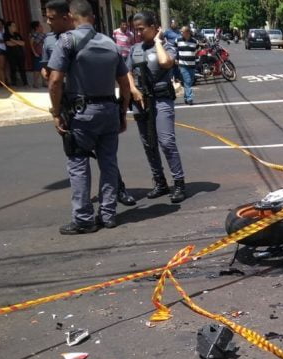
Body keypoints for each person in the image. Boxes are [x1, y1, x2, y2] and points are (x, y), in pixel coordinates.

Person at [47, 0, 131, 234]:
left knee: (78, 164)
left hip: (81, 114)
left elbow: (54, 81)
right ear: (92, 17)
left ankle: (84, 219)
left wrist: (56, 113)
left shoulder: (67, 40)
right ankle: (108, 214)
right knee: (109, 163)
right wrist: (122, 112)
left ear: (72, 17)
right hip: (109, 112)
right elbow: (124, 83)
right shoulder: (110, 43)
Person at [127, 11, 187, 203]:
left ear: (154, 27)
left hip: (161, 100)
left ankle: (178, 183)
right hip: (141, 102)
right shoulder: (134, 49)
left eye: (142, 29)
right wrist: (132, 89)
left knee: (166, 142)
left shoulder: (167, 46)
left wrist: (159, 42)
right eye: (136, 30)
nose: (138, 33)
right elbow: (126, 71)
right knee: (148, 144)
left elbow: (165, 62)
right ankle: (160, 182)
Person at [177, 26, 199, 105]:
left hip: (192, 65)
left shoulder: (194, 41)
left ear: (188, 32)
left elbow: (197, 50)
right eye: (181, 32)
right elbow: (175, 50)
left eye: (183, 32)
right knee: (188, 81)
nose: (181, 33)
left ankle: (186, 97)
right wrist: (176, 59)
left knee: (189, 82)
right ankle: (190, 98)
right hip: (183, 65)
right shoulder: (178, 40)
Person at [4, 21, 28, 86]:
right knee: (13, 69)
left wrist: (13, 41)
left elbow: (23, 43)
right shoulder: (6, 35)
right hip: (11, 55)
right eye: (13, 26)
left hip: (20, 54)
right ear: (9, 27)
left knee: (22, 69)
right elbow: (9, 44)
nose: (15, 27)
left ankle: (25, 83)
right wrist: (18, 42)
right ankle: (14, 83)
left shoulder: (17, 34)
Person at [30, 21, 46, 88]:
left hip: (43, 54)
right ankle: (35, 83)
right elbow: (31, 44)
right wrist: (34, 53)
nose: (42, 27)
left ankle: (44, 83)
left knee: (44, 68)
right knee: (37, 69)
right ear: (37, 27)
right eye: (40, 26)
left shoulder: (43, 34)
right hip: (38, 54)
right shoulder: (34, 35)